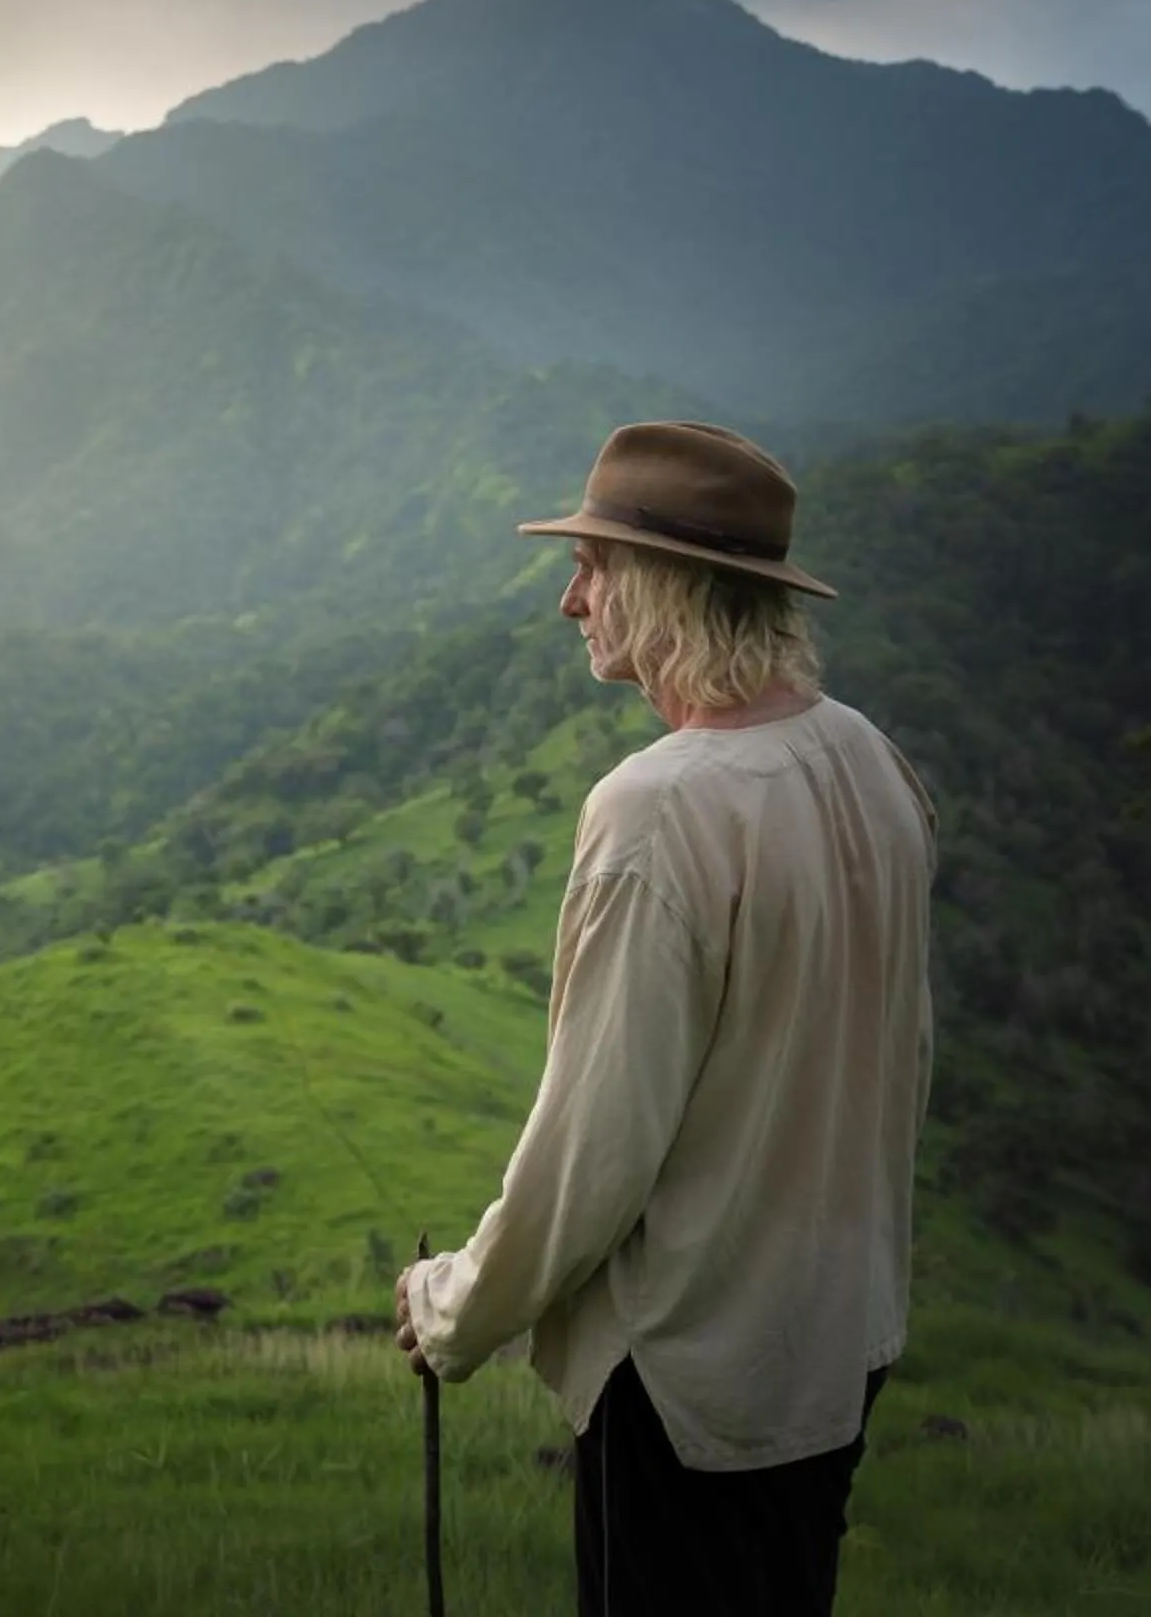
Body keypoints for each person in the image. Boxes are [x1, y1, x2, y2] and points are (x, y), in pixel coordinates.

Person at [393, 419, 936, 1617]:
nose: (570, 600)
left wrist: (453, 1305)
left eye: (593, 567)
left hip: (689, 1371)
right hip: (836, 1343)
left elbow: (595, 1147)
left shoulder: (659, 809)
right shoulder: (870, 762)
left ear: (665, 584)